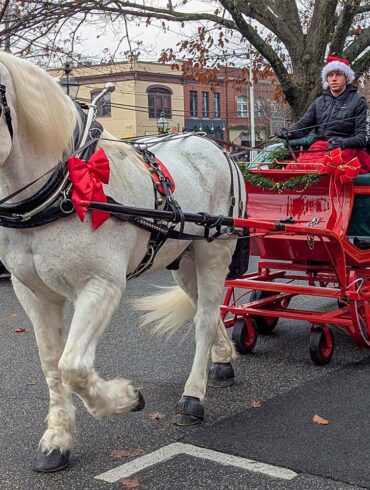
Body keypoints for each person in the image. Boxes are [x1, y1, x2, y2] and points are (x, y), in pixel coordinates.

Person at [277, 56, 370, 172]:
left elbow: (363, 137)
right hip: (319, 147)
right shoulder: (319, 102)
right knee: (293, 167)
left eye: (338, 74)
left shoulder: (358, 102)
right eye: (330, 75)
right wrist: (288, 132)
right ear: (326, 78)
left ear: (346, 77)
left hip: (347, 149)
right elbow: (303, 125)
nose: (334, 79)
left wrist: (342, 142)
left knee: (325, 167)